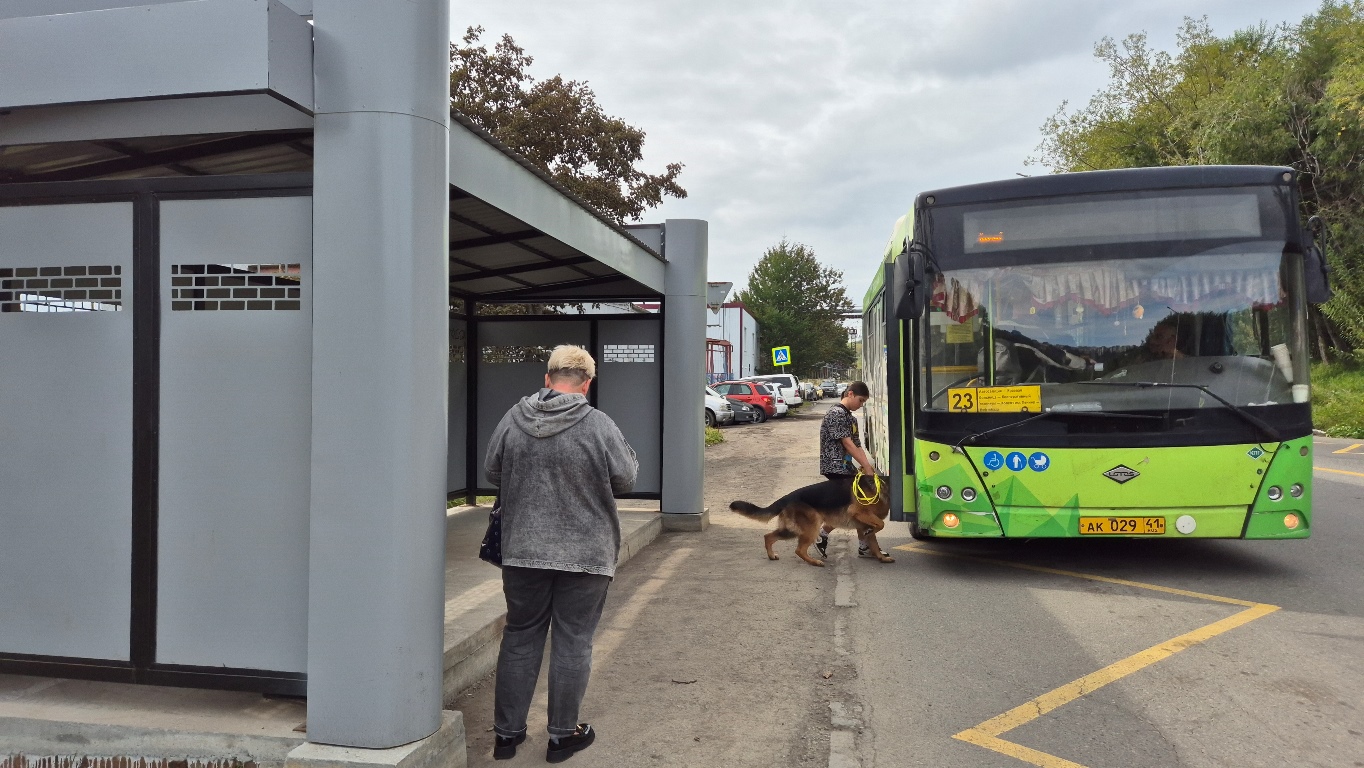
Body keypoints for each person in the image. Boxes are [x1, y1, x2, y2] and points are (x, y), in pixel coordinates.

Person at [484, 344, 638, 763]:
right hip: (586, 553)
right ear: (587, 384)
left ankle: (506, 736)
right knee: (573, 641)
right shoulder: (598, 424)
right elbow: (624, 477)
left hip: (523, 550)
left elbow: (492, 471)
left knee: (520, 635)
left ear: (548, 379)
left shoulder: (513, 420)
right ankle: (560, 737)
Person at [813, 381, 879, 559]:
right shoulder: (836, 414)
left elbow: (857, 445)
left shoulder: (850, 417)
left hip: (846, 467)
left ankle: (863, 546)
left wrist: (867, 466)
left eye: (864, 402)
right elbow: (847, 443)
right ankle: (822, 534)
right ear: (850, 394)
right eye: (860, 400)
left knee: (859, 505)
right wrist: (865, 466)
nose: (861, 405)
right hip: (835, 466)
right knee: (854, 507)